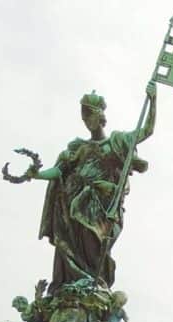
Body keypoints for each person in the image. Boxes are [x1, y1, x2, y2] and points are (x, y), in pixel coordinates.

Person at [25, 83, 158, 293]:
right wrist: (36, 175)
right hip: (71, 204)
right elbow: (59, 171)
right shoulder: (79, 147)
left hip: (100, 208)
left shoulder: (116, 142)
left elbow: (147, 130)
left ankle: (92, 284)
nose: (87, 121)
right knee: (67, 245)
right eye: (84, 117)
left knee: (94, 242)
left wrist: (152, 100)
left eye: (89, 115)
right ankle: (73, 285)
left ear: (100, 116)